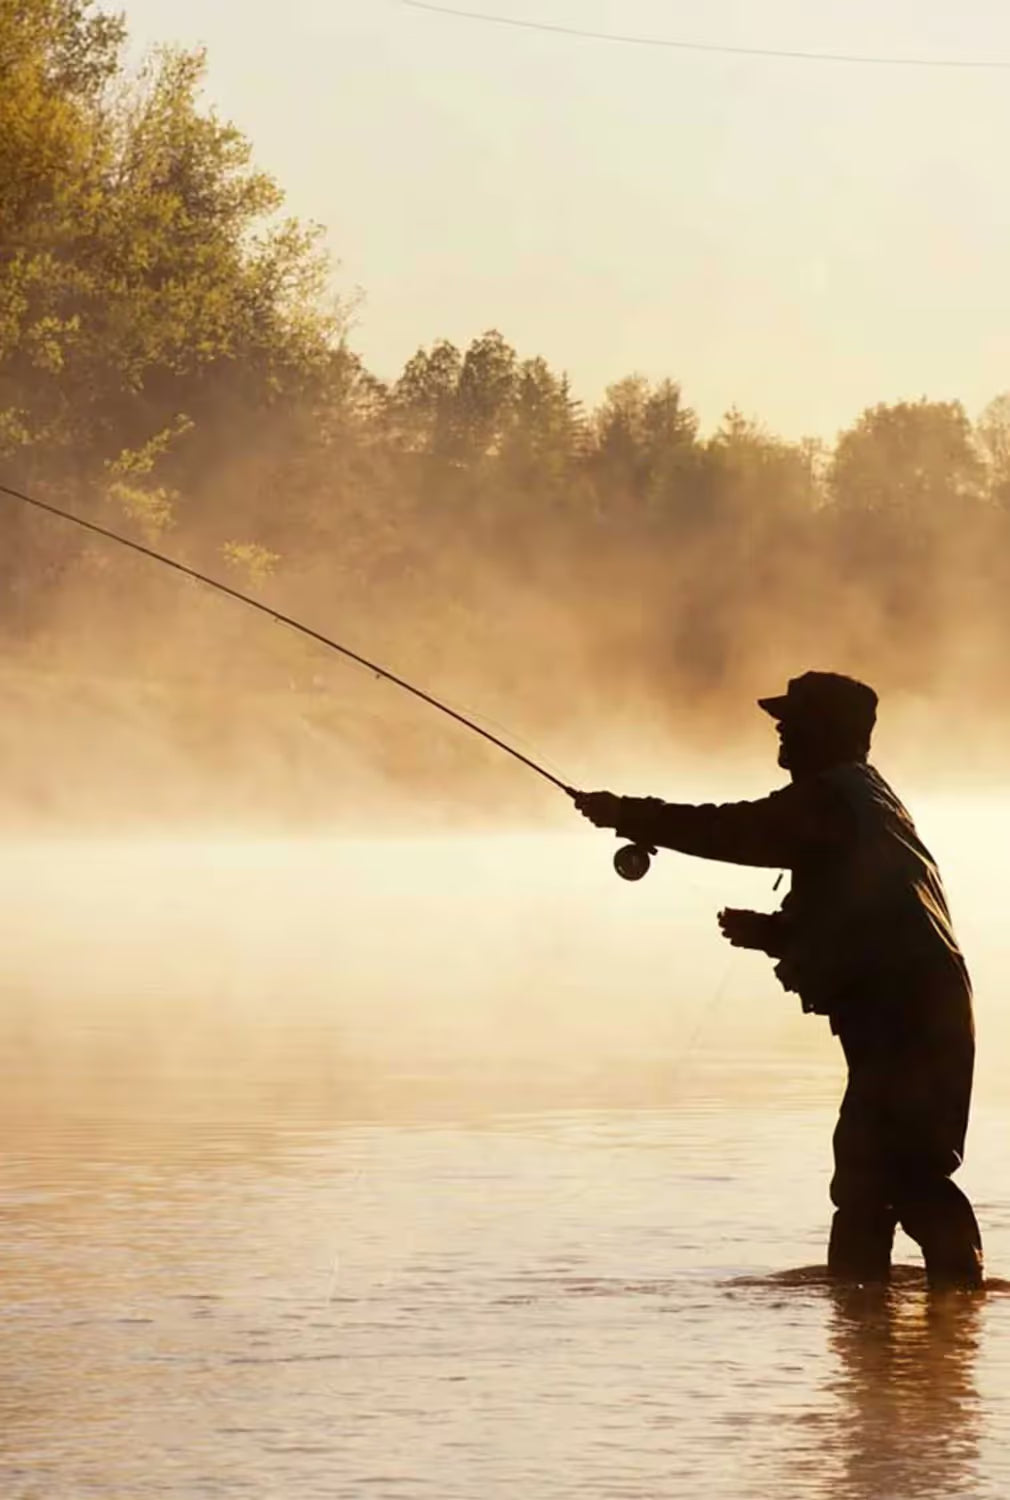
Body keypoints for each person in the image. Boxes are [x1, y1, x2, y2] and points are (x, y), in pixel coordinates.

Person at [574, 671, 984, 1288]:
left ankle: (952, 1314)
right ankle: (877, 1331)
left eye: (793, 721)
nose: (781, 731)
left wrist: (628, 814)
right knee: (869, 1178)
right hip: (916, 1013)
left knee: (905, 1174)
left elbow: (732, 830)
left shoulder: (831, 799)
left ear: (830, 732)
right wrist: (776, 933)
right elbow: (862, 912)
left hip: (909, 1019)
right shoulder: (864, 798)